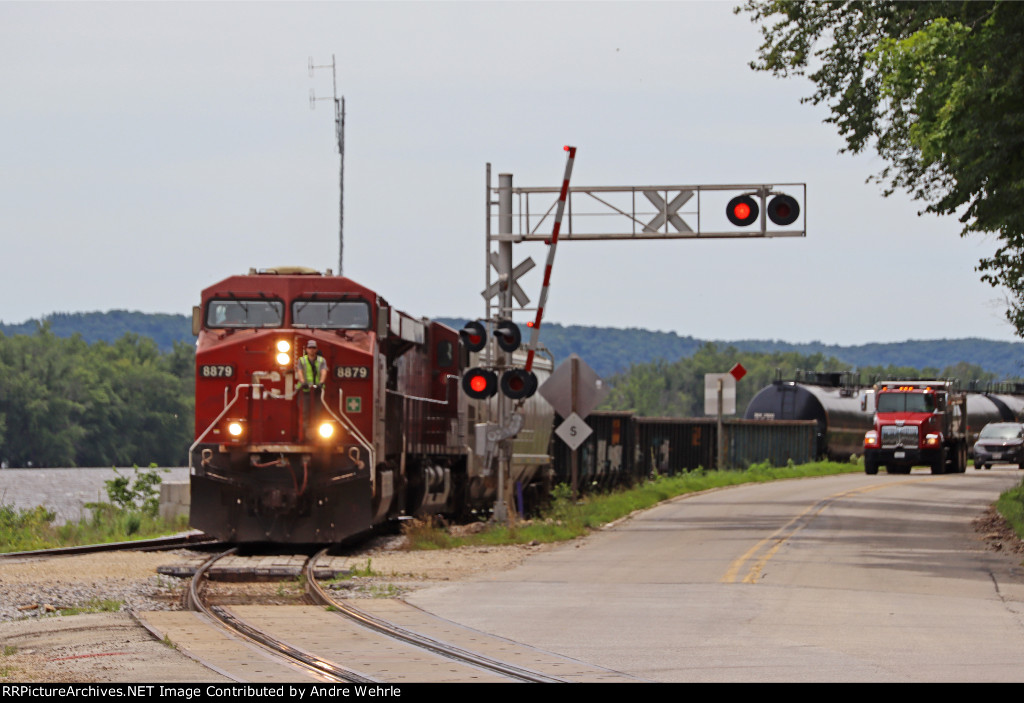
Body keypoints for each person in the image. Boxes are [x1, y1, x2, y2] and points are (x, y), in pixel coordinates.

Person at [296, 340, 328, 439]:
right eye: (310, 348)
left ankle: (317, 434)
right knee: (304, 412)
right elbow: (300, 372)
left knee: (317, 413)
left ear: (316, 349)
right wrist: (303, 382)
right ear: (306, 349)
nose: (312, 350)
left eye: (313, 348)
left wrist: (321, 383)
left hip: (317, 392)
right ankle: (304, 433)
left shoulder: (321, 361)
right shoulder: (302, 360)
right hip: (304, 392)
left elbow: (324, 371)